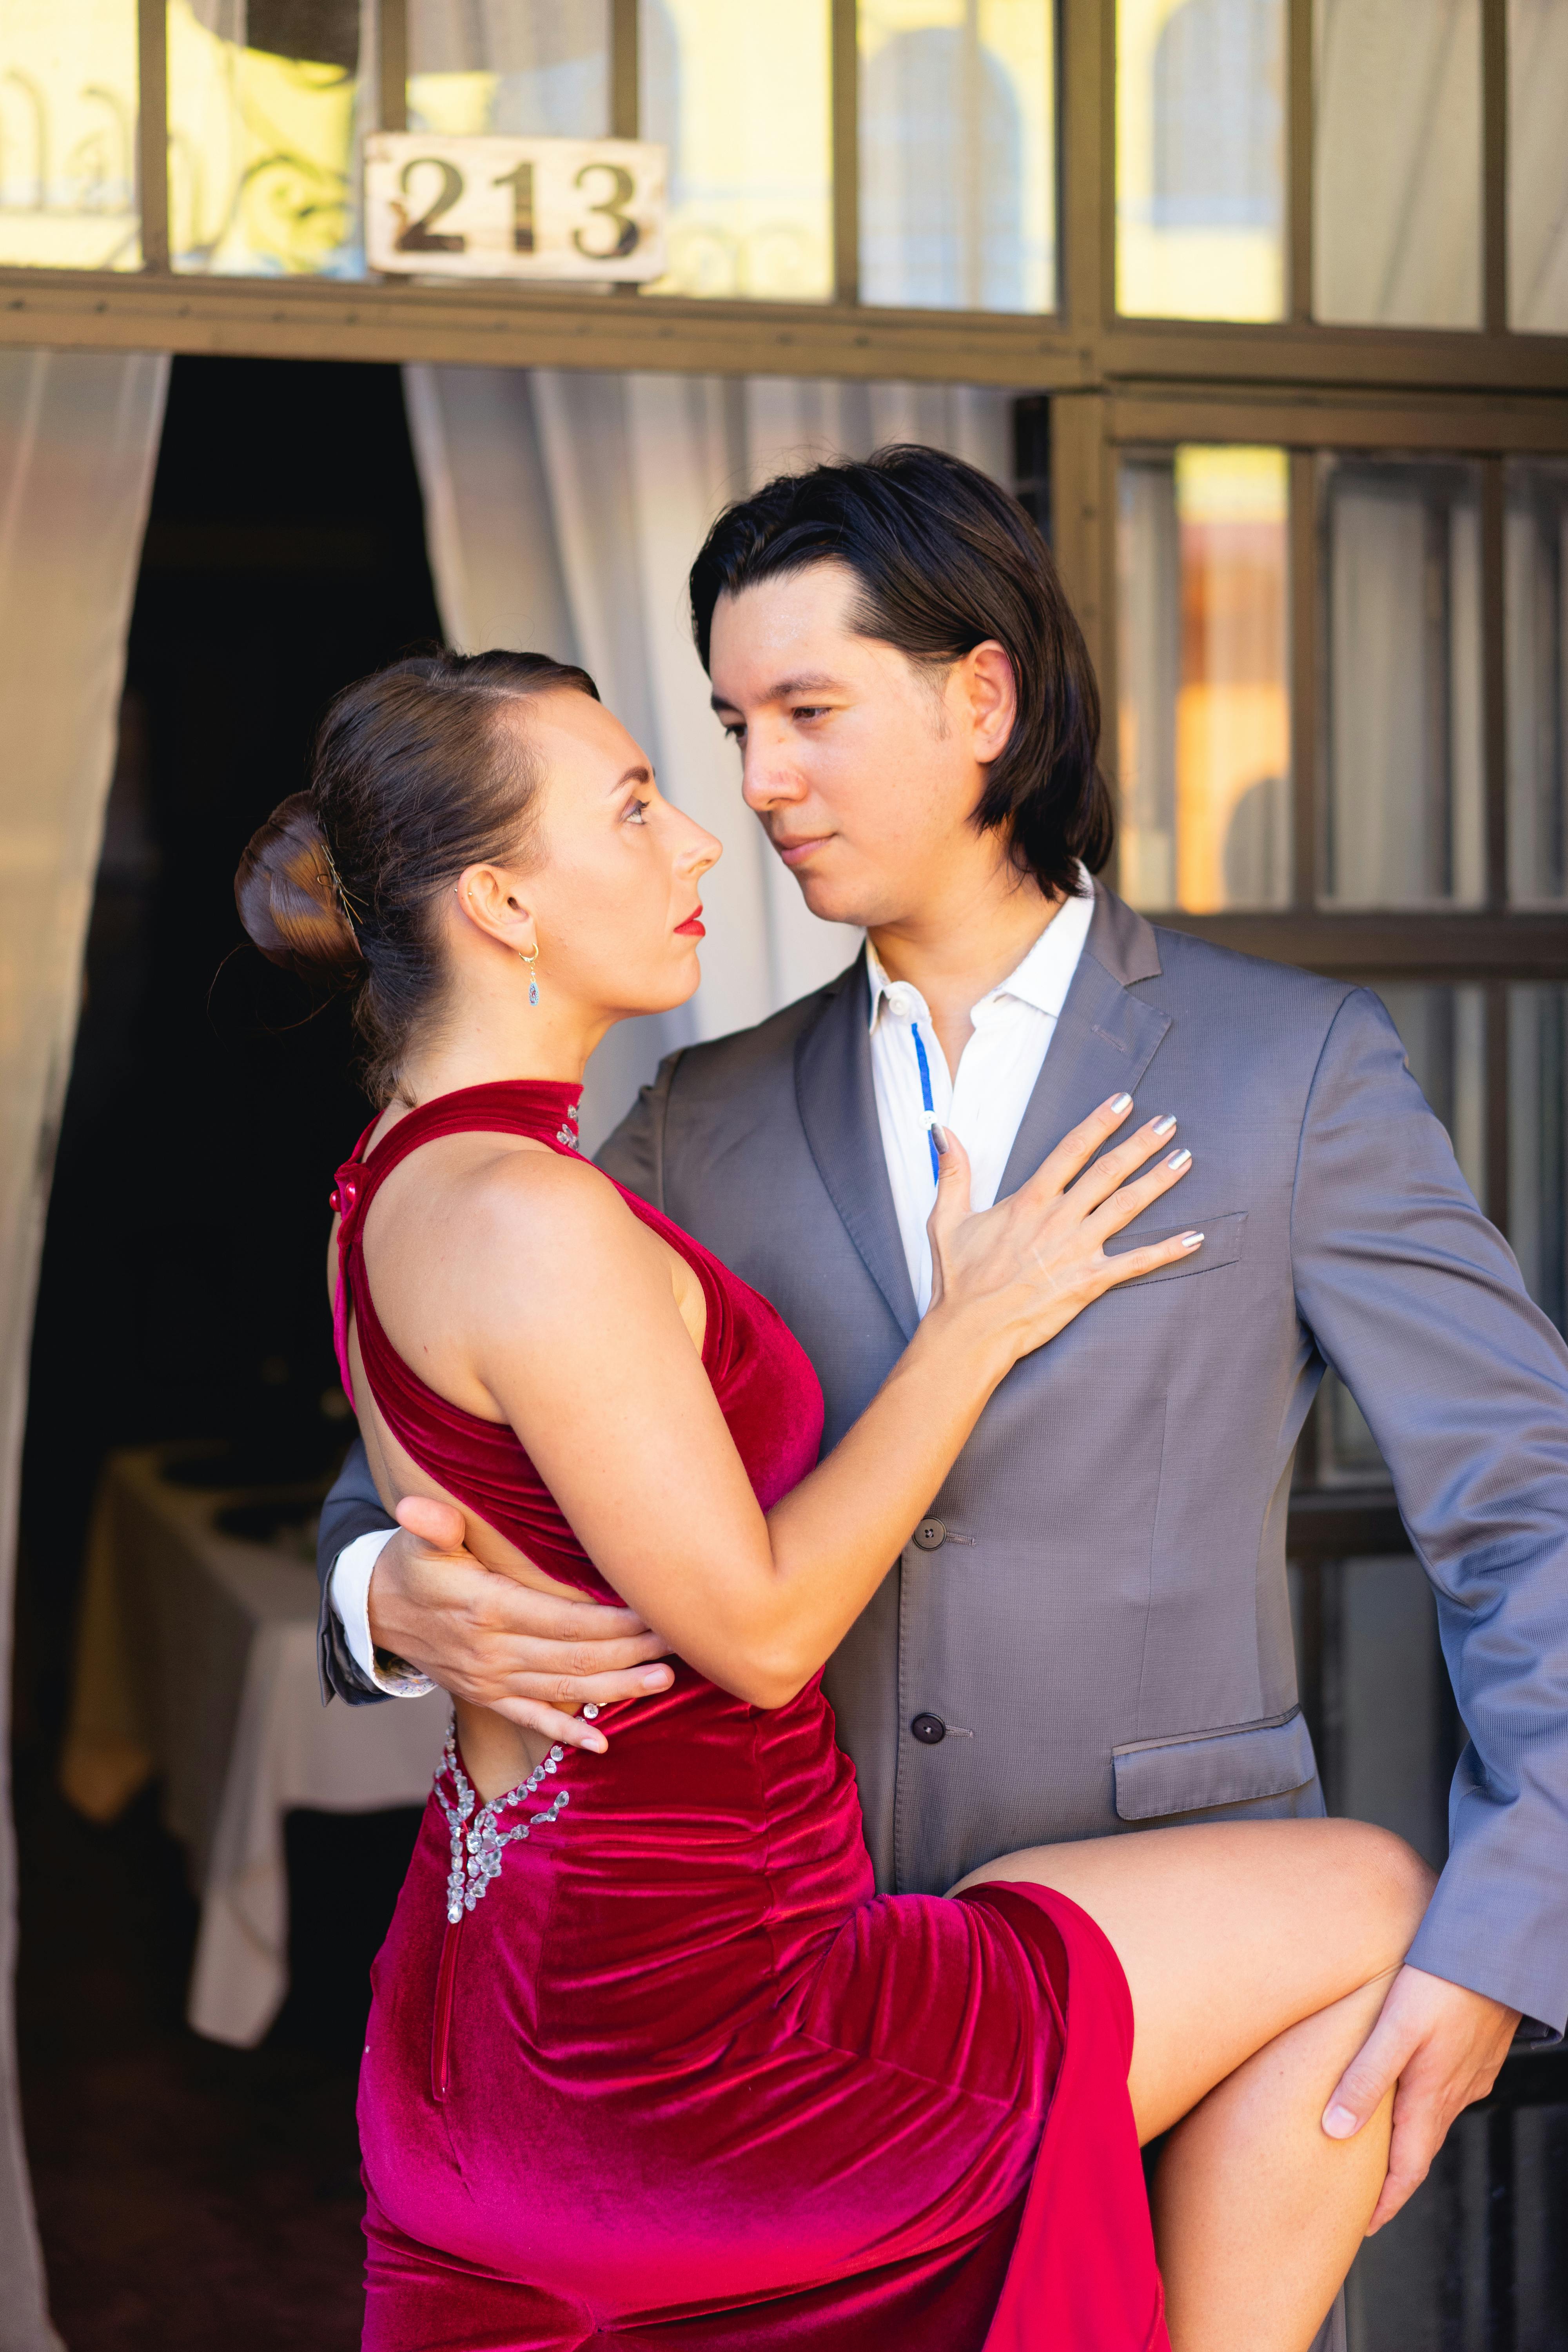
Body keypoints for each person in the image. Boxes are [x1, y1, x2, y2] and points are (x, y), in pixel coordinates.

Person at [317, 453, 1568, 2327]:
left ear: (979, 702)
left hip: (1187, 1965)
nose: (756, 784)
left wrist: (1503, 1938)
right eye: (732, 726)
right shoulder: (691, 1117)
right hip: (777, 2027)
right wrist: (384, 1598)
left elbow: (1525, 1507)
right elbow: (432, 1449)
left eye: (807, 712)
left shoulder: (1287, 1069)